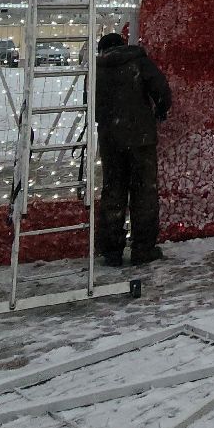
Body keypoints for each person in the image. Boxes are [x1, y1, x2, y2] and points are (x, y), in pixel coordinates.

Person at [94, 32, 171, 267]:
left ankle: (112, 251)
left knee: (113, 191)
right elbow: (162, 90)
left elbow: (91, 103)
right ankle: (143, 248)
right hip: (141, 139)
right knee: (144, 193)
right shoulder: (138, 61)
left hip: (110, 141)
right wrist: (160, 110)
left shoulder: (97, 69)